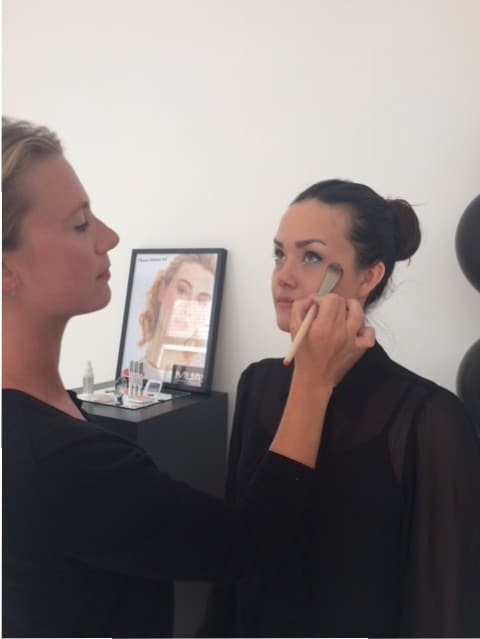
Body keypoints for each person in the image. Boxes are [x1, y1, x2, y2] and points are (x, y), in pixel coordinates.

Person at [1, 119, 375, 638]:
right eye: (80, 224)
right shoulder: (54, 460)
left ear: (370, 276)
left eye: (311, 256)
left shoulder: (46, 420)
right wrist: (312, 383)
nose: (110, 237)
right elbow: (248, 546)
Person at [199, 179, 480, 638]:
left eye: (310, 257)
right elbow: (234, 572)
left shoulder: (429, 420)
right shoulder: (258, 384)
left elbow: (442, 612)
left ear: (368, 277)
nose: (283, 276)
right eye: (279, 255)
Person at [138, 253, 216, 384]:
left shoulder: (198, 376)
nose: (188, 309)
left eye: (202, 301)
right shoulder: (132, 371)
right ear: (161, 290)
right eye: (182, 290)